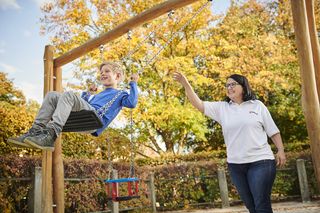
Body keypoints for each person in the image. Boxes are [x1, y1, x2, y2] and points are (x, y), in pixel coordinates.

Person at [173, 72, 286, 213]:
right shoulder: (223, 108)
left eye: (233, 84)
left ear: (243, 87)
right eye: (227, 85)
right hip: (236, 165)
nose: (229, 87)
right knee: (251, 207)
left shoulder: (257, 106)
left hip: (261, 161)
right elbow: (198, 104)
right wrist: (185, 83)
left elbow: (273, 130)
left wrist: (280, 150)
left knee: (261, 205)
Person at [8, 61, 139, 151]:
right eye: (101, 72)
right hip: (85, 117)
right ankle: (36, 130)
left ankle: (51, 134)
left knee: (69, 94)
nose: (102, 74)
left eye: (107, 71)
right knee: (52, 95)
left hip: (95, 121)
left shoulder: (120, 94)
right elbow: (79, 105)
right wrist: (88, 94)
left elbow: (132, 103)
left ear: (117, 76)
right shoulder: (99, 94)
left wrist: (133, 83)